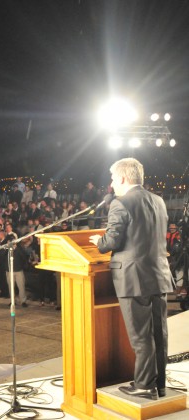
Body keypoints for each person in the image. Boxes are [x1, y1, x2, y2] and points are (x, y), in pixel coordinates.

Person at [89, 158, 174, 400]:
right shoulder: (158, 201)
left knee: (140, 336)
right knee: (159, 333)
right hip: (158, 275)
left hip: (132, 278)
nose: (112, 184)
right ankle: (159, 384)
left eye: (114, 179)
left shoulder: (120, 203)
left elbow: (113, 241)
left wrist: (100, 242)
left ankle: (144, 386)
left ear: (124, 178)